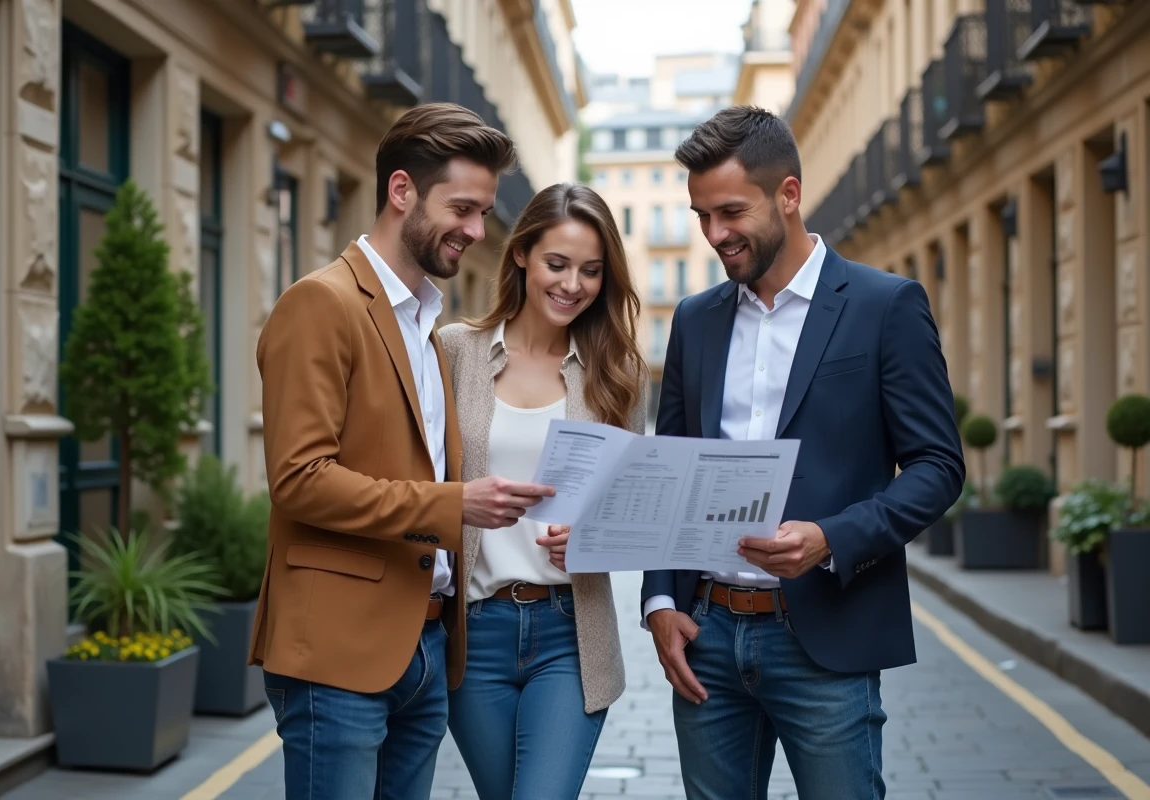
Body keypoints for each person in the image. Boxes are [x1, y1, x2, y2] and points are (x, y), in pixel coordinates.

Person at [640, 106, 965, 798]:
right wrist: (660, 600)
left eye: (730, 212)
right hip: (709, 637)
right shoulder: (695, 320)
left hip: (826, 638)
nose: (714, 235)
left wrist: (830, 538)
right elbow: (670, 468)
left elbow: (939, 467)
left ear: (788, 194)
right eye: (702, 216)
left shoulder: (885, 306)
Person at [249, 102, 556, 800]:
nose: (478, 232)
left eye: (483, 213)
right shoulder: (321, 304)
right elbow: (299, 480)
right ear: (401, 191)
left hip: (422, 651)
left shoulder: (427, 322)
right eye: (464, 209)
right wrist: (454, 506)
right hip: (338, 651)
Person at [437, 182, 648, 800]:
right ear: (522, 254)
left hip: (570, 632)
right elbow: (421, 483)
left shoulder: (619, 372)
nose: (572, 285)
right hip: (473, 633)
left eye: (590, 270)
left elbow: (634, 509)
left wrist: (595, 539)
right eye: (557, 264)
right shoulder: (455, 351)